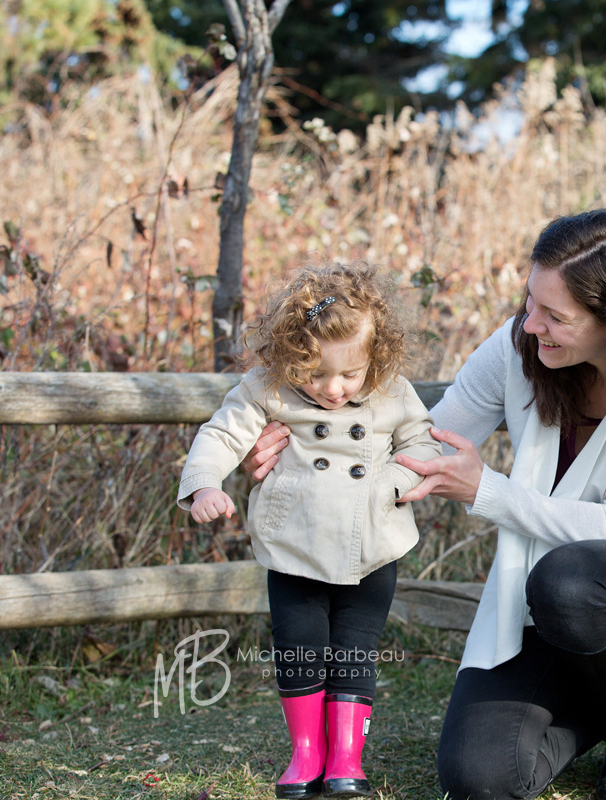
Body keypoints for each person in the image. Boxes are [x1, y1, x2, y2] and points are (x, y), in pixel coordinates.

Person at [244, 210, 606, 800]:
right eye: (530, 301)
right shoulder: (522, 346)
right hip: (544, 596)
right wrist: (299, 460)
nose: (530, 324)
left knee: (569, 578)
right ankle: (595, 700)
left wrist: (487, 490)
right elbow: (423, 445)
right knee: (481, 779)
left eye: (555, 316)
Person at [178, 261, 441, 800]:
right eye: (316, 374)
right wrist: (205, 483)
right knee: (298, 647)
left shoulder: (393, 391)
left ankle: (346, 758)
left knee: (354, 649)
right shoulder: (267, 387)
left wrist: (391, 481)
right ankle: (307, 753)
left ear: (377, 356)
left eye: (351, 374)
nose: (335, 389)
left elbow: (422, 443)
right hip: (294, 544)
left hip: (371, 546)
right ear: (291, 355)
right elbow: (221, 435)